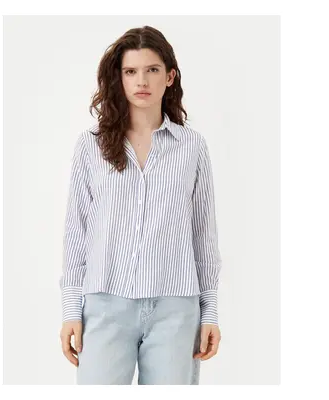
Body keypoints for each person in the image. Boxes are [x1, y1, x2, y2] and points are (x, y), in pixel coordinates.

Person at [59, 25, 222, 385]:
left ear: (170, 77)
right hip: (105, 305)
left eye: (152, 70)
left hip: (175, 309)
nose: (141, 81)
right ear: (119, 78)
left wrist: (209, 311)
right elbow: (77, 232)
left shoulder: (192, 147)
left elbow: (203, 236)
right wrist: (71, 308)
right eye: (131, 71)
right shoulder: (91, 146)